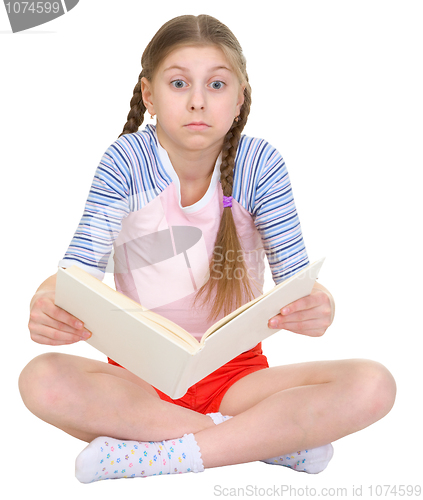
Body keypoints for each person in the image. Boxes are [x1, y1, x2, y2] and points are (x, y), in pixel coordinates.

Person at [18, 14, 396, 483]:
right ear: (149, 95)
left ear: (239, 99)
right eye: (179, 83)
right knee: (41, 379)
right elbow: (78, 272)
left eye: (216, 85)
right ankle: (260, 440)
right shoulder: (126, 161)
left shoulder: (260, 164)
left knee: (373, 384)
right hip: (140, 385)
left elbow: (299, 284)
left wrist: (320, 307)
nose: (198, 101)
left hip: (240, 381)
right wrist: (43, 302)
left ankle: (159, 454)